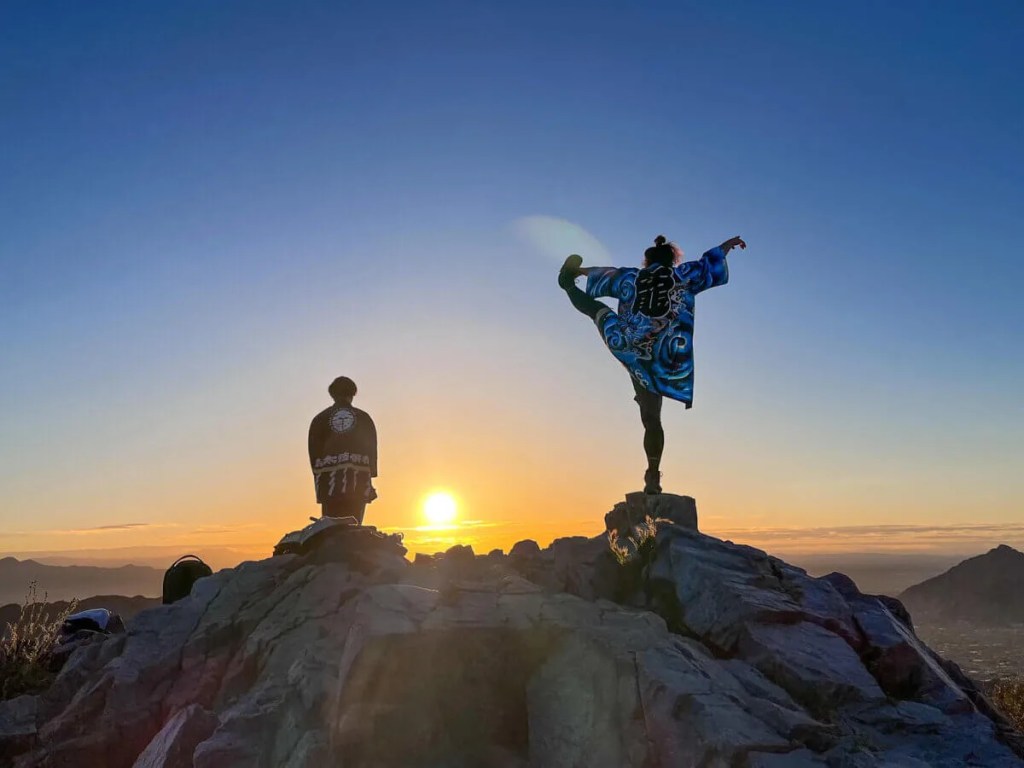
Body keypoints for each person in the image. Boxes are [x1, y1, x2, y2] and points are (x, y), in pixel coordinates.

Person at [557, 234, 747, 493]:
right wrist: (727, 246)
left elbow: (602, 274)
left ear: (647, 261)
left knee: (596, 310)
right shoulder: (682, 276)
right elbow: (708, 263)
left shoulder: (631, 277)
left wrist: (575, 271)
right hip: (660, 357)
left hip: (627, 343)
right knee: (652, 420)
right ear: (673, 260)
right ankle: (653, 474)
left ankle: (568, 287)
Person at [308, 376, 378, 522]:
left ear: (332, 395)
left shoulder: (319, 419)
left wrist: (319, 476)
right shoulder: (364, 418)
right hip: (357, 483)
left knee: (330, 529)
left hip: (329, 485)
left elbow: (313, 452)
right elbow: (371, 450)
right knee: (353, 528)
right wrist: (371, 476)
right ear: (352, 394)